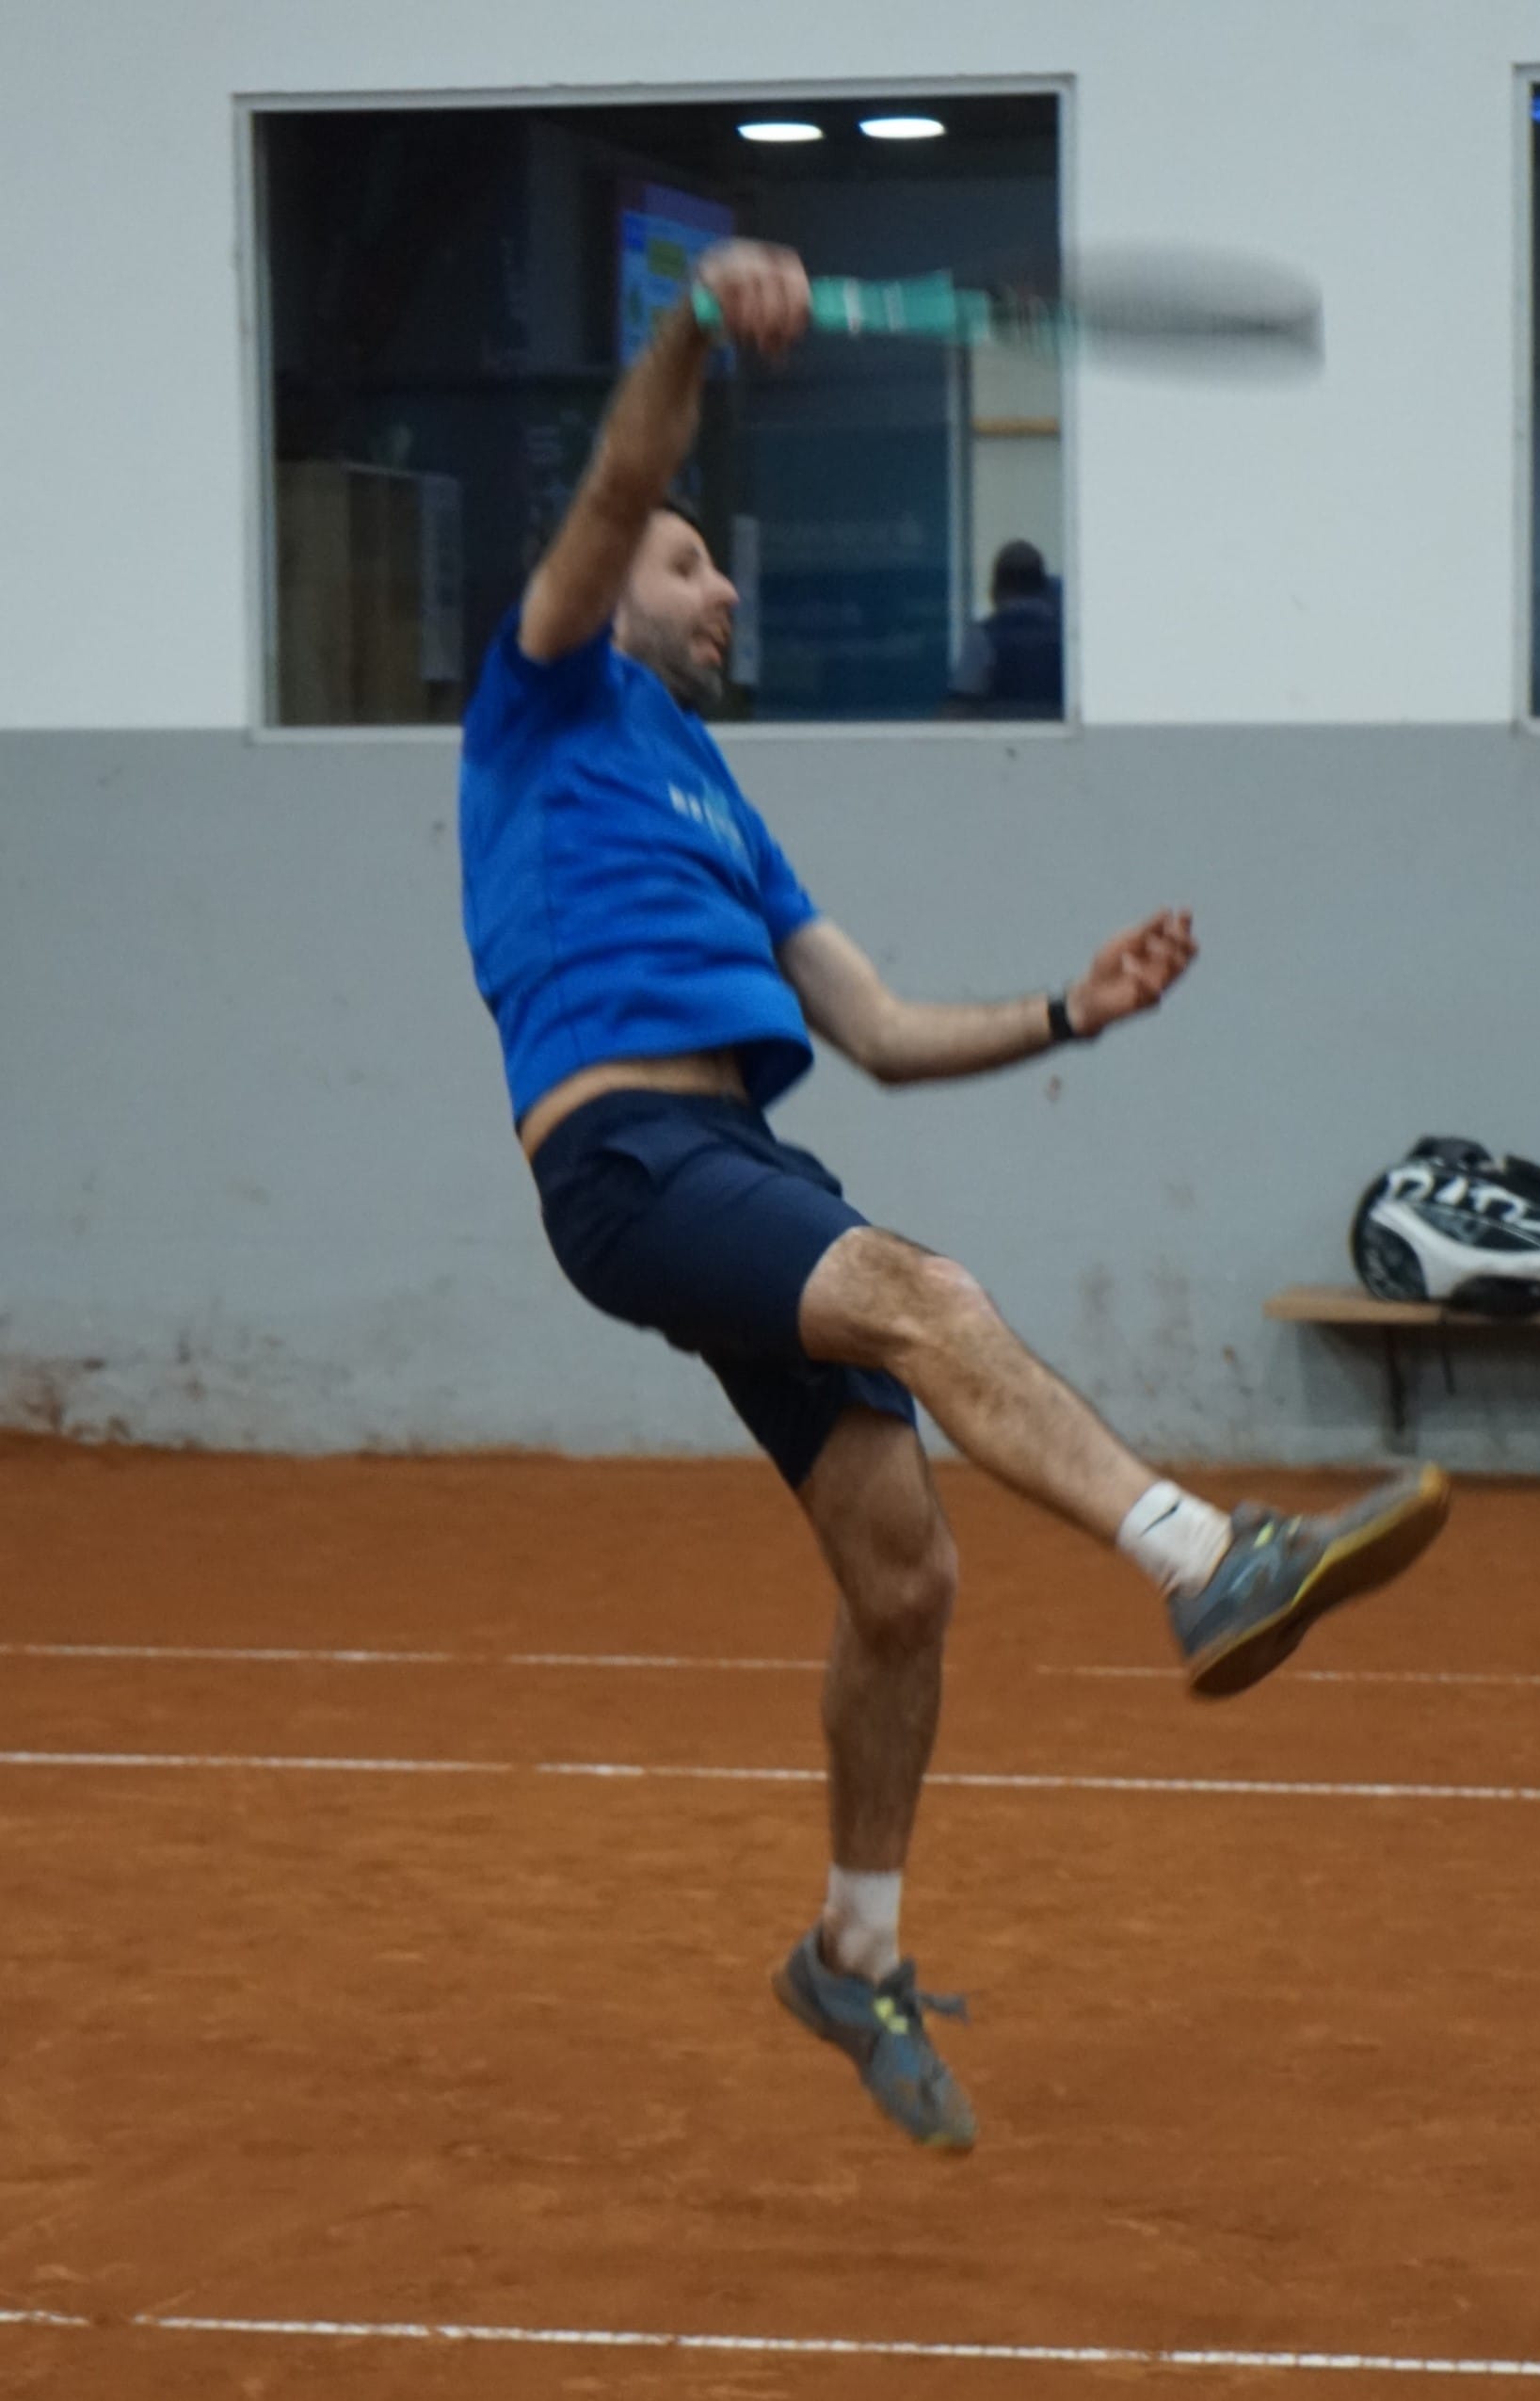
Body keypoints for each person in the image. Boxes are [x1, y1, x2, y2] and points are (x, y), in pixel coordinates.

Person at [457, 241, 1448, 2152]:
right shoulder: (541, 695)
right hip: (623, 1159)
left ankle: (851, 1952)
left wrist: (1070, 1009)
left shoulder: (719, 803)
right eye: (690, 563)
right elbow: (617, 476)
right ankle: (1203, 1557)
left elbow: (885, 1032)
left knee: (905, 1580)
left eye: (716, 565)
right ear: (607, 582)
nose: (719, 586)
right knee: (925, 1293)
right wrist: (689, 325)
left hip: (741, 1159)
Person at [946, 538, 1064, 718]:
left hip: (1002, 733)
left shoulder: (983, 635)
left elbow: (959, 706)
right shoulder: (1066, 637)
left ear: (996, 586)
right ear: (1043, 586)